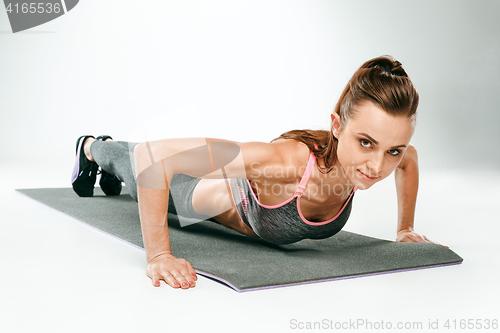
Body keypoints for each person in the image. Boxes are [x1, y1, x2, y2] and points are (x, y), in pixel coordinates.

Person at [71, 55, 441, 290]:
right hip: (191, 197)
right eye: (365, 142)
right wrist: (158, 256)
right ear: (337, 126)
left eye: (392, 149)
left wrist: (404, 228)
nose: (378, 166)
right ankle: (91, 146)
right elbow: (156, 158)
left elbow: (409, 161)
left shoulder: (387, 158)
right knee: (135, 162)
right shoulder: (282, 163)